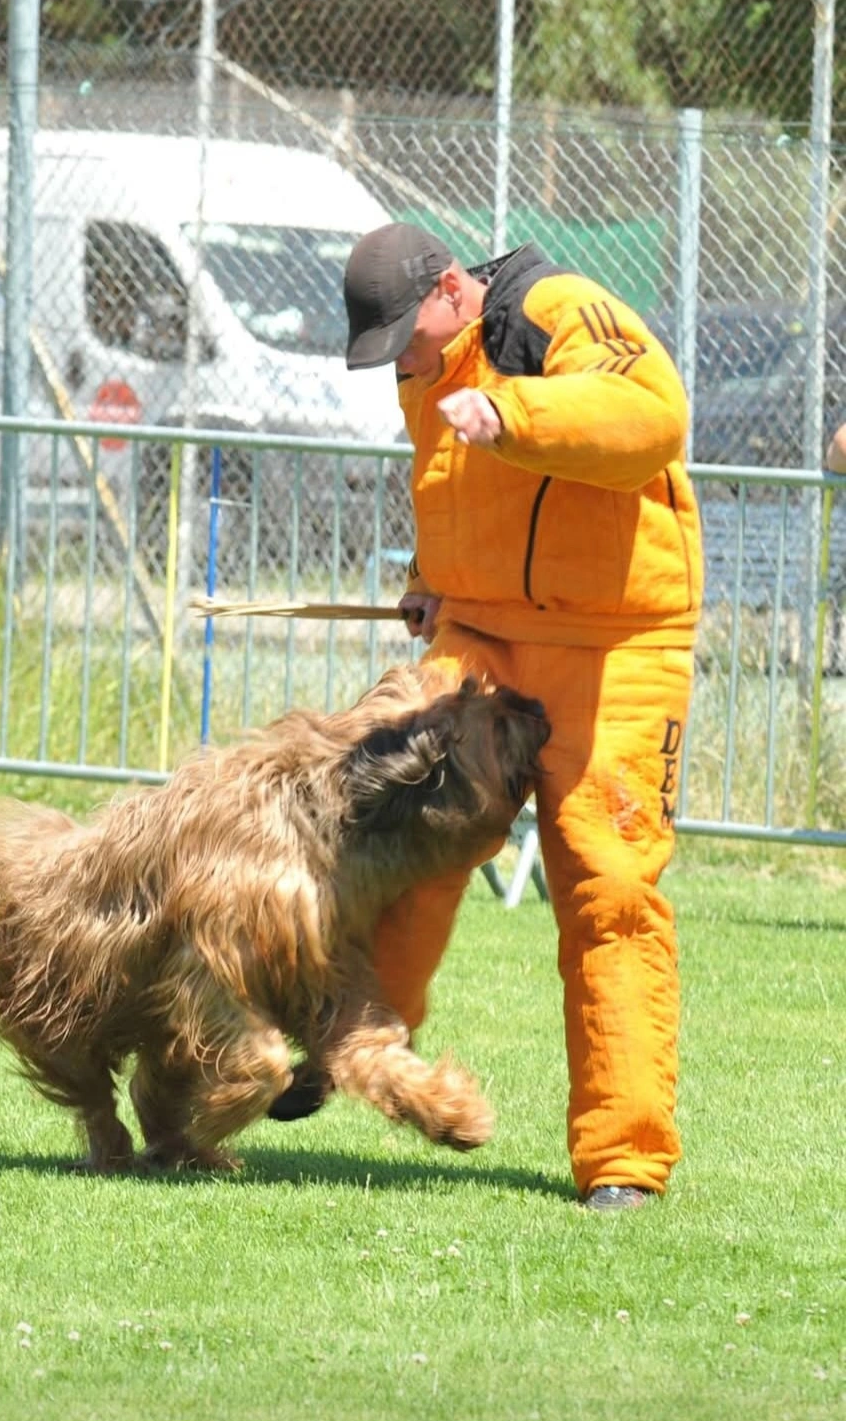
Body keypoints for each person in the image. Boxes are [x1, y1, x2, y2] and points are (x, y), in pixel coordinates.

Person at [273, 222, 705, 1212]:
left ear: (455, 291)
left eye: (409, 344)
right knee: (392, 838)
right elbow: (450, 483)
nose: (405, 366)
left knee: (608, 886)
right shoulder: (428, 361)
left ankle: (624, 1158)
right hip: (476, 632)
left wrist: (513, 413)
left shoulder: (553, 313)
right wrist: (435, 580)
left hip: (615, 641)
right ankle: (353, 1043)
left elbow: (652, 413)